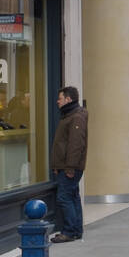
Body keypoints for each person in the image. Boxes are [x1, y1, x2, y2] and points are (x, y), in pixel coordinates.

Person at [49, 85, 88, 243]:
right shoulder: (69, 115)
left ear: (68, 99)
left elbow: (75, 144)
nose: (57, 101)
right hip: (66, 166)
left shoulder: (76, 117)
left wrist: (69, 167)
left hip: (70, 167)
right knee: (73, 197)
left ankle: (70, 231)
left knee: (64, 198)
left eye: (60, 98)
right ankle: (76, 230)